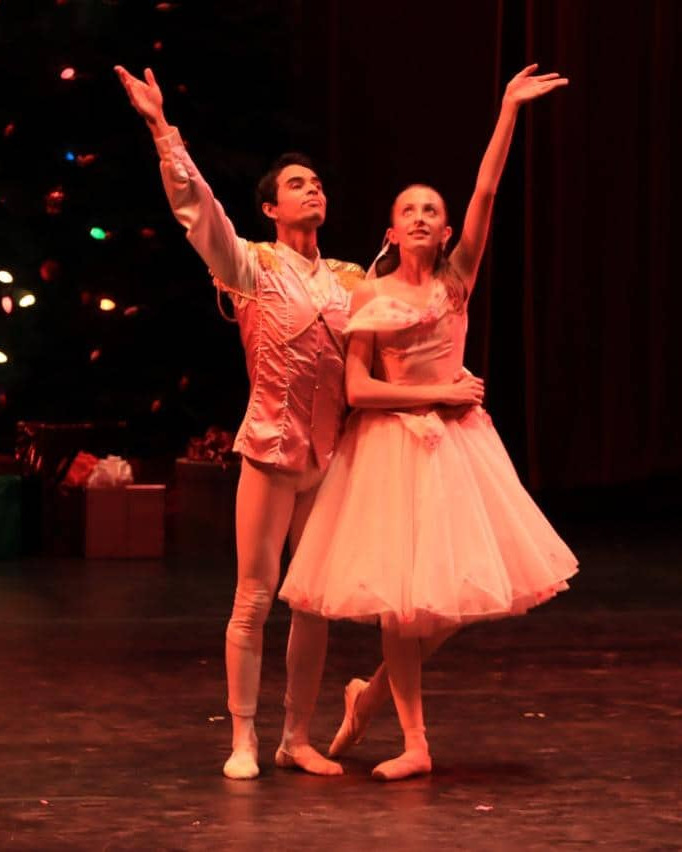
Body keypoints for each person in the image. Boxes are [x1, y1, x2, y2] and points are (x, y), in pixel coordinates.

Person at [279, 64, 578, 781]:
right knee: (401, 601)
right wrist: (436, 394)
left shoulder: (458, 280)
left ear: (446, 233)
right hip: (390, 447)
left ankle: (373, 694)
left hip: (458, 452)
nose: (421, 216)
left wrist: (507, 109)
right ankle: (416, 740)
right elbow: (356, 388)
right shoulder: (369, 293)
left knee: (448, 605)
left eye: (432, 211)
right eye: (408, 209)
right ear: (390, 228)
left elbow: (487, 190)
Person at [115, 65, 365, 779]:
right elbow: (199, 211)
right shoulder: (251, 266)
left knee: (313, 601)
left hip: (328, 456)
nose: (312, 189)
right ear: (270, 210)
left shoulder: (350, 279)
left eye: (317, 182)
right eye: (297, 184)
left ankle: (296, 736)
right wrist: (163, 128)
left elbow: (408, 312)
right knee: (255, 594)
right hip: (270, 450)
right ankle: (245, 737)